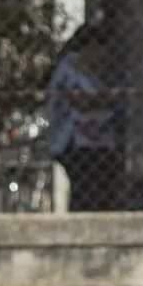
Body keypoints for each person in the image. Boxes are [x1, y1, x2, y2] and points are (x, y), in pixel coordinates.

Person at [45, 24, 124, 211]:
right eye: (103, 50)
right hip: (74, 141)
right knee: (86, 189)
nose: (105, 57)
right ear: (91, 47)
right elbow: (81, 102)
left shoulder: (93, 73)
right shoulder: (70, 68)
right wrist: (109, 98)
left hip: (95, 140)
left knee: (103, 189)